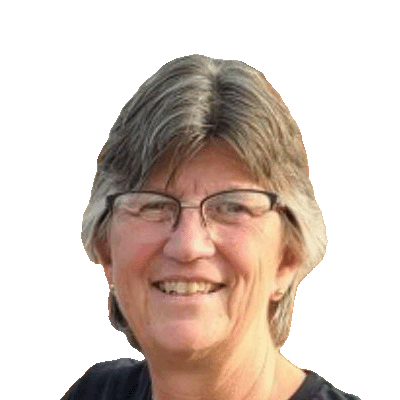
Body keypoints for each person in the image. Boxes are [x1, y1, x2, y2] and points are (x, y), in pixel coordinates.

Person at [62, 54, 360, 400]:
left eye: (232, 207)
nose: (188, 246)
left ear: (288, 258)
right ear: (107, 252)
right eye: (154, 206)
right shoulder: (97, 393)